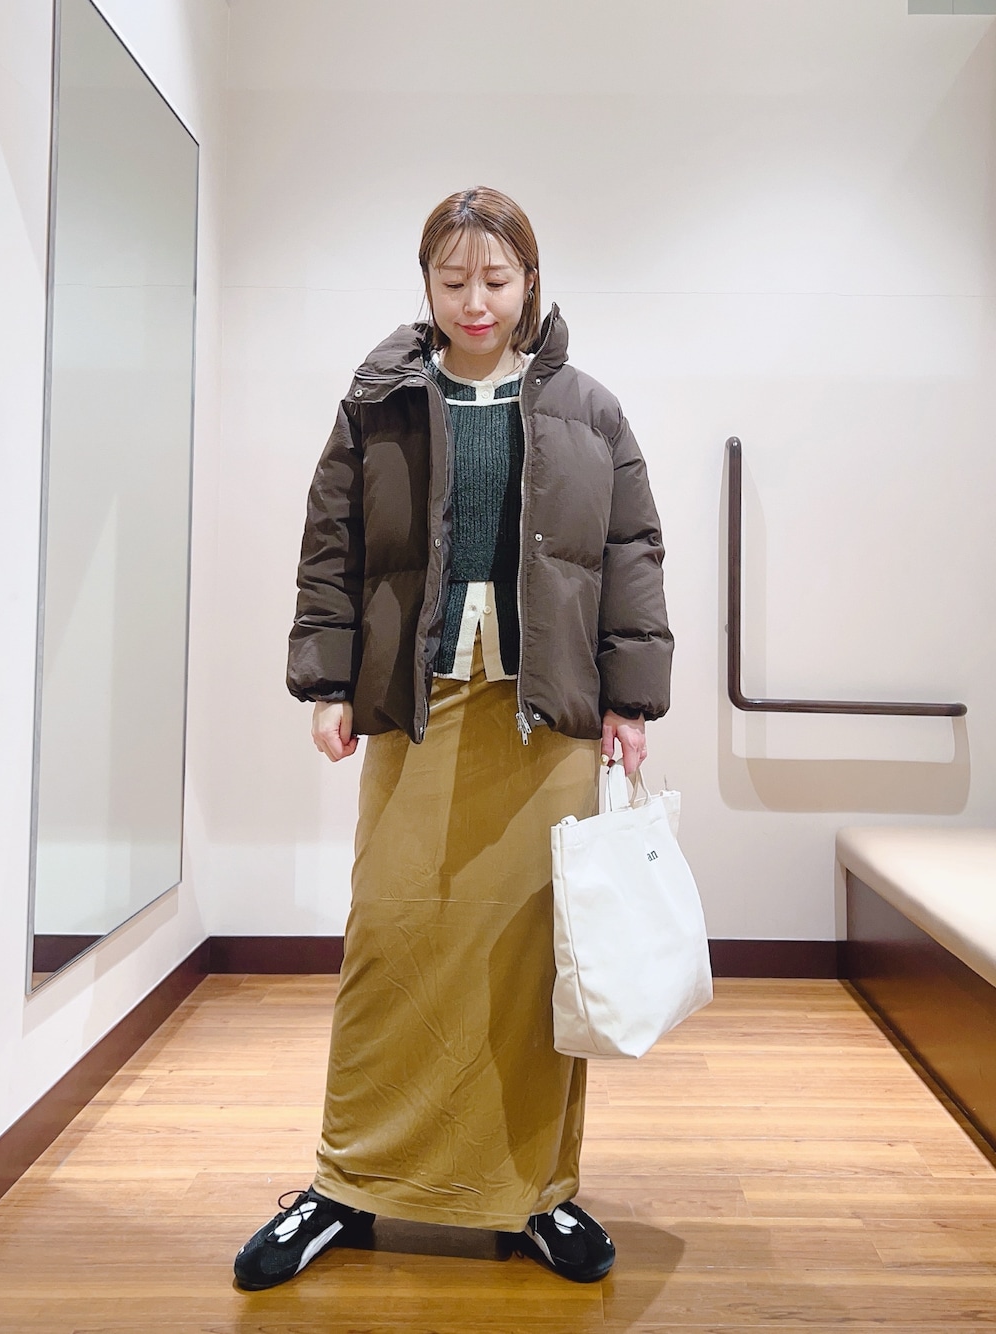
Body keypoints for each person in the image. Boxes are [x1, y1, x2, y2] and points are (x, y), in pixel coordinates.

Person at [234, 186, 673, 1291]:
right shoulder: (378, 399)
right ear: (426, 284)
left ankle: (534, 1196)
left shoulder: (590, 409)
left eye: (496, 278)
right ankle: (346, 1184)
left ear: (530, 279)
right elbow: (330, 545)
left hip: (544, 714)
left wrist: (629, 700)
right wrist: (326, 680)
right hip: (417, 701)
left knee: (528, 962)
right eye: (453, 279)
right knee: (388, 942)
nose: (476, 300)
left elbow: (631, 553)